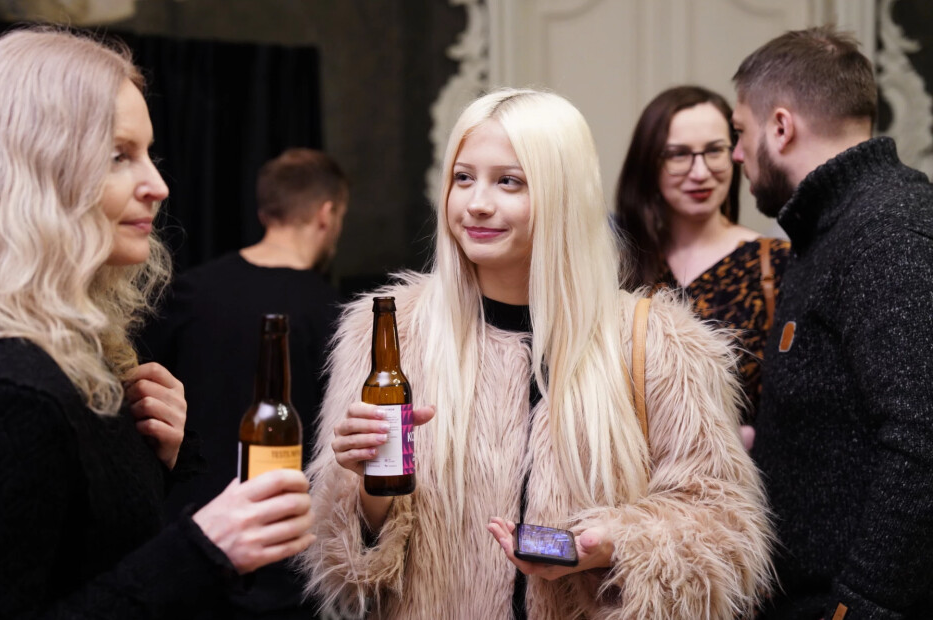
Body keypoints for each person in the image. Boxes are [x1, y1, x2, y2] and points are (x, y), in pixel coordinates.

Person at [300, 88, 773, 619]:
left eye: (509, 181)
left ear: (562, 194)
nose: (477, 202)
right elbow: (343, 571)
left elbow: (724, 532)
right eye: (463, 178)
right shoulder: (387, 335)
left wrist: (611, 542)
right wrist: (368, 489)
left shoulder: (656, 344)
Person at [0, 28, 315, 618]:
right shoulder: (6, 387)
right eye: (119, 156)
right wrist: (205, 550)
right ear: (35, 173)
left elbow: (84, 552)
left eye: (148, 153)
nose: (158, 186)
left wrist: (158, 461)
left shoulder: (74, 354)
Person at [731, 26, 933, 620]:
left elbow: (922, 436)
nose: (737, 154)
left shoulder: (886, 232)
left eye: (741, 133)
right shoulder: (829, 229)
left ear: (782, 127)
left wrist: (859, 607)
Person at [140, 148, 348, 619]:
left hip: (189, 548)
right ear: (326, 213)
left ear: (264, 211)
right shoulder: (335, 315)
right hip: (287, 554)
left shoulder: (187, 293)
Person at [614, 85, 790, 440]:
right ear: (650, 162)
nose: (700, 172)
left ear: (735, 154)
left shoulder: (774, 262)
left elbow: (800, 401)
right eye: (678, 155)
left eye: (714, 151)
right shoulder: (619, 263)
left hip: (740, 484)